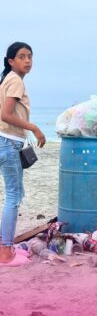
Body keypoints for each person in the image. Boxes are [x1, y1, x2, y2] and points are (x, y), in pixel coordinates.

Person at [0, 42, 45, 266]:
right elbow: (6, 114)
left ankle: (5, 246)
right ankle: (6, 252)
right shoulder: (15, 81)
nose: (27, 61)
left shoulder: (7, 79)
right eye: (21, 57)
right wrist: (33, 128)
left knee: (13, 194)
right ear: (11, 61)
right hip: (8, 143)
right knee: (14, 196)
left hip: (5, 141)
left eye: (30, 56)